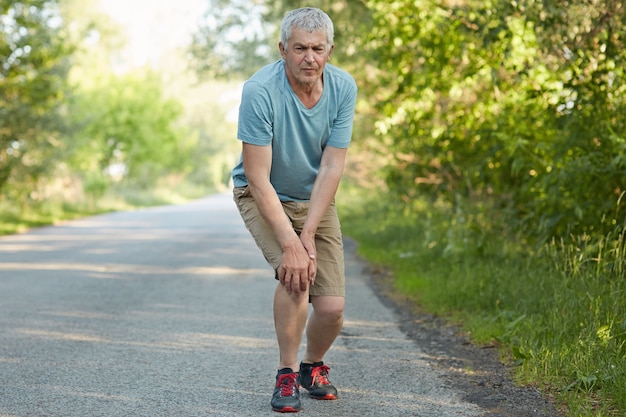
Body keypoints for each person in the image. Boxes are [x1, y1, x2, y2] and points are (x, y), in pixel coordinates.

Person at [231, 7, 357, 413]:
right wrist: (291, 243)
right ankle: (286, 374)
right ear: (282, 48)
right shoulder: (260, 91)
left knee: (333, 308)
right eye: (299, 48)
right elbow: (257, 176)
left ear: (330, 50)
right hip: (262, 193)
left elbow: (332, 166)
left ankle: (311, 367)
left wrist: (308, 233)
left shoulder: (343, 88)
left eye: (317, 49)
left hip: (314, 197)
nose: (309, 58)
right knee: (296, 276)